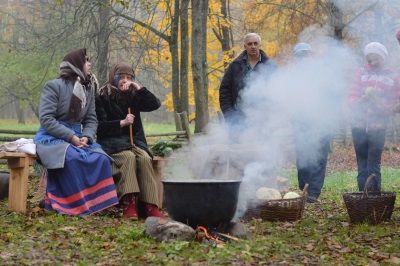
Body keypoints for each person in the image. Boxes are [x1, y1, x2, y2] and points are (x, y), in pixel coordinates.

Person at [34, 48, 119, 216]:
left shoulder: (88, 89)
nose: (90, 64)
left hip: (78, 137)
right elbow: (47, 119)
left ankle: (95, 203)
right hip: (52, 136)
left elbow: (91, 119)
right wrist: (70, 136)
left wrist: (86, 136)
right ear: (76, 65)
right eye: (86, 61)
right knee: (72, 158)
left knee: (100, 158)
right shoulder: (53, 86)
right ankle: (69, 204)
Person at [95, 63, 164, 220]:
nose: (125, 81)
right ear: (114, 78)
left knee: (145, 158)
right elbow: (98, 127)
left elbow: (155, 104)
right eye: (122, 77)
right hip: (112, 144)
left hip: (135, 143)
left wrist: (138, 88)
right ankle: (129, 203)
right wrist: (121, 123)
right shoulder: (102, 96)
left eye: (129, 78)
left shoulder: (134, 96)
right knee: (128, 157)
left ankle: (150, 205)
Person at [348, 42, 400, 191]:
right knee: (362, 164)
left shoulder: (393, 76)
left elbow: (396, 102)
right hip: (358, 124)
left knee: (374, 163)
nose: (373, 62)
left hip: (378, 126)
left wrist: (380, 104)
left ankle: (375, 198)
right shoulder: (360, 73)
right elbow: (351, 97)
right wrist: (361, 100)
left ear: (383, 58)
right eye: (370, 59)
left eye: (376, 58)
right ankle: (362, 199)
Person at [290, 42, 332, 203]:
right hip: (300, 123)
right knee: (302, 157)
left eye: (306, 55)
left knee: (319, 157)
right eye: (300, 55)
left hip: (321, 121)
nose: (303, 58)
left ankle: (314, 192)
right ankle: (304, 189)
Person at [219, 32, 276, 121]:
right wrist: (229, 115)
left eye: (255, 43)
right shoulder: (235, 65)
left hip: (264, 119)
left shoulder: (271, 66)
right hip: (239, 119)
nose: (253, 46)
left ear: (260, 45)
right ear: (245, 46)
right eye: (250, 44)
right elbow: (224, 91)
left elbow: (277, 92)